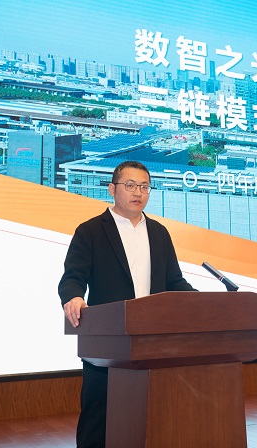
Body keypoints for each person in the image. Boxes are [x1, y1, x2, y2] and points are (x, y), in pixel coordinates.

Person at [58, 160, 196, 448]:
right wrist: (73, 298)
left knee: (151, 418)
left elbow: (174, 281)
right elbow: (73, 278)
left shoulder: (159, 232)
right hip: (107, 344)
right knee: (99, 421)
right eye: (130, 185)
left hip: (154, 342)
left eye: (144, 186)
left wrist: (201, 301)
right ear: (112, 189)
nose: (138, 192)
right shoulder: (91, 231)